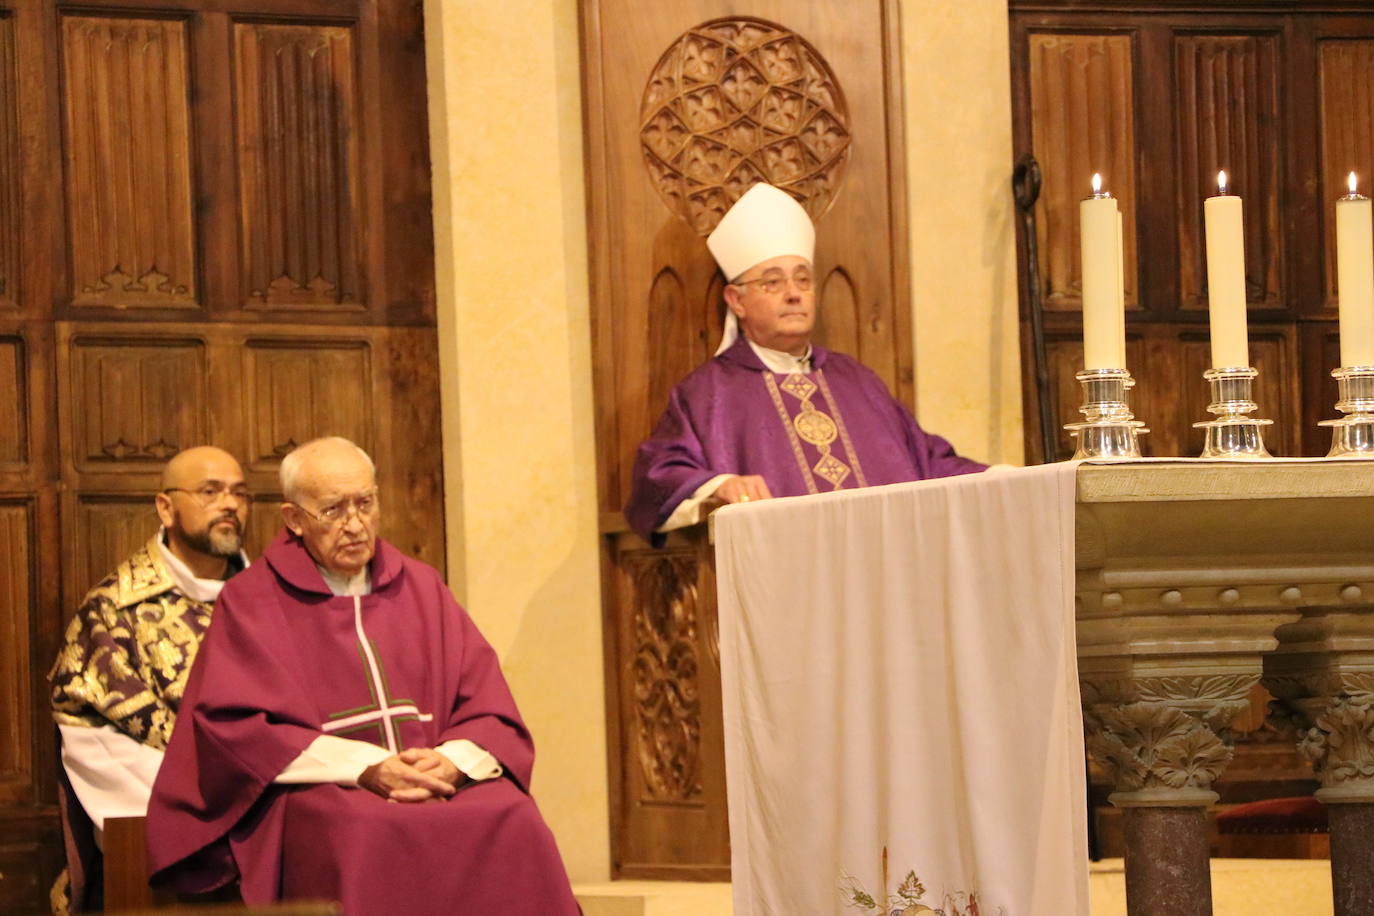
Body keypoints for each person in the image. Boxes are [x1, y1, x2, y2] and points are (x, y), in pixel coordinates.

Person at [146, 437, 580, 914]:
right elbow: (235, 729)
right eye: (333, 509)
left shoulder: (421, 587)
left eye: (365, 504)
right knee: (362, 829)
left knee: (513, 815)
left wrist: (453, 761)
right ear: (293, 519)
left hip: (432, 775)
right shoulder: (252, 601)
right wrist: (364, 767)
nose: (354, 525)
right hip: (322, 786)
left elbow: (487, 702)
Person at [625, 182, 987, 544]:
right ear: (736, 300)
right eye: (772, 282)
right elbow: (657, 476)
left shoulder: (857, 380)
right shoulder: (707, 393)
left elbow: (929, 461)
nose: (794, 293)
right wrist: (719, 486)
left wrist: (1004, 478)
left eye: (803, 279)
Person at [49, 445, 251, 913]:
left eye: (239, 493)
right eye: (210, 491)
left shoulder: (271, 601)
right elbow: (90, 735)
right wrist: (204, 797)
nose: (229, 504)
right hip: (166, 807)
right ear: (165, 507)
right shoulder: (113, 611)